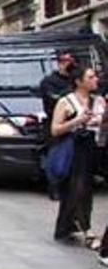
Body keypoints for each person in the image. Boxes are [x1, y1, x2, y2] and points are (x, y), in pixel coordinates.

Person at [51, 67, 103, 245]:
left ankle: (76, 225)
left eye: (95, 76)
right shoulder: (66, 102)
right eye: (91, 76)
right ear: (79, 81)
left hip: (94, 148)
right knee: (76, 188)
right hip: (74, 149)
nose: (96, 79)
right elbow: (55, 129)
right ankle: (80, 228)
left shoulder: (98, 101)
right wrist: (77, 121)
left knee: (87, 188)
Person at [41, 53, 77, 200]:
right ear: (59, 63)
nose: (68, 65)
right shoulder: (49, 82)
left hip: (77, 124)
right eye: (65, 61)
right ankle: (54, 187)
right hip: (57, 123)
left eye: (71, 62)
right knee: (57, 156)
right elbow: (53, 100)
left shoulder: (77, 80)